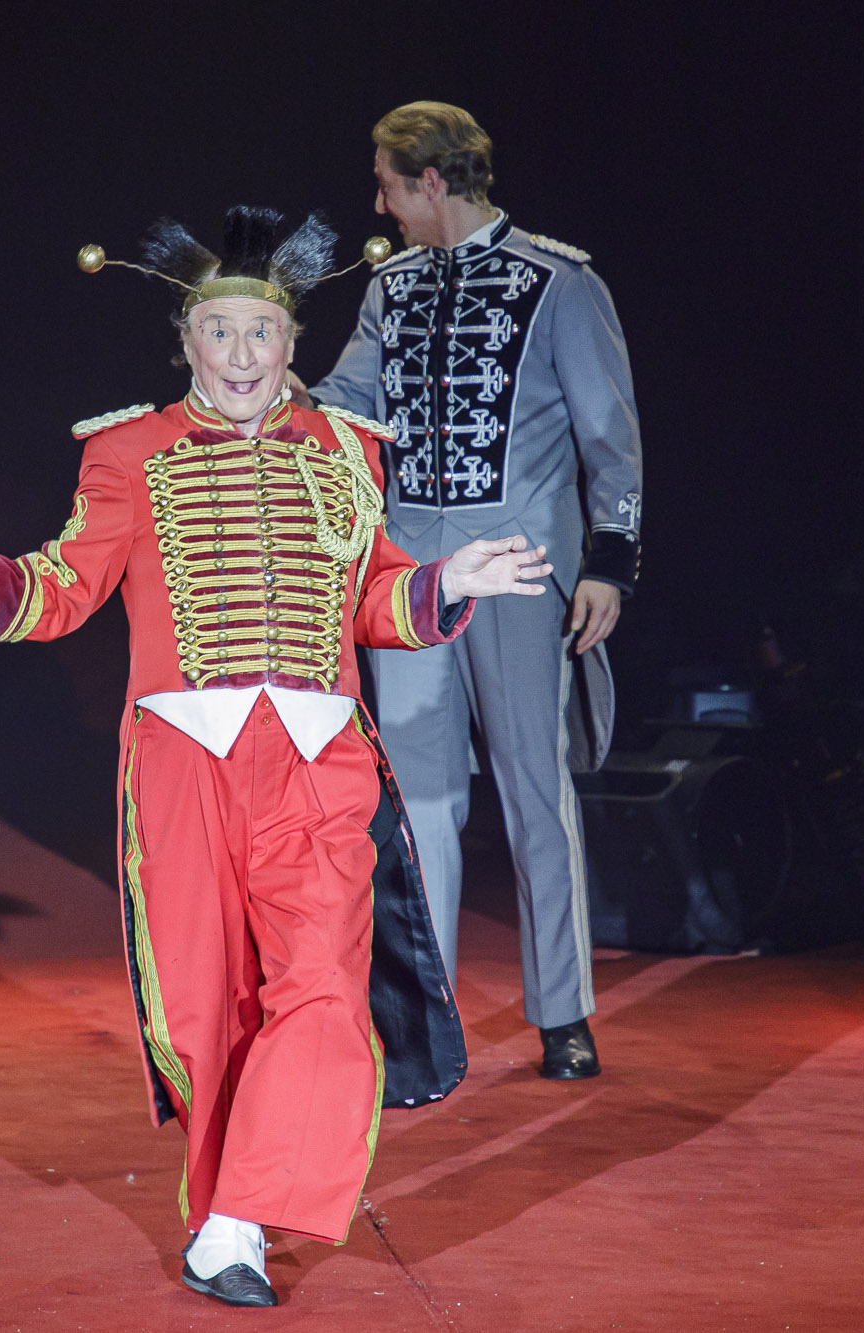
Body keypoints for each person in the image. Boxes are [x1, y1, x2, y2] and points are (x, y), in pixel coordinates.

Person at [0, 206, 554, 1308]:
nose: (239, 357)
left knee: (321, 987)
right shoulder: (126, 453)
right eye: (217, 335)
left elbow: (374, 598)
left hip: (319, 760)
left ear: (290, 347)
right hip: (184, 761)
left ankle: (234, 1222)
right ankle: (226, 1209)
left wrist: (445, 586)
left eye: (258, 336)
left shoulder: (348, 453)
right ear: (185, 345)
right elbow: (63, 589)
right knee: (207, 1006)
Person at [299, 101, 643, 1080]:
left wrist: (607, 561)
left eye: (386, 184)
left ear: (430, 183)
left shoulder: (558, 283)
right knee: (417, 796)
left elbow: (606, 435)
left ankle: (562, 1011)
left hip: (523, 569)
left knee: (536, 785)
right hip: (408, 570)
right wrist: (272, 388)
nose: (379, 202)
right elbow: (353, 397)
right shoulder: (389, 286)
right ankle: (425, 1011)